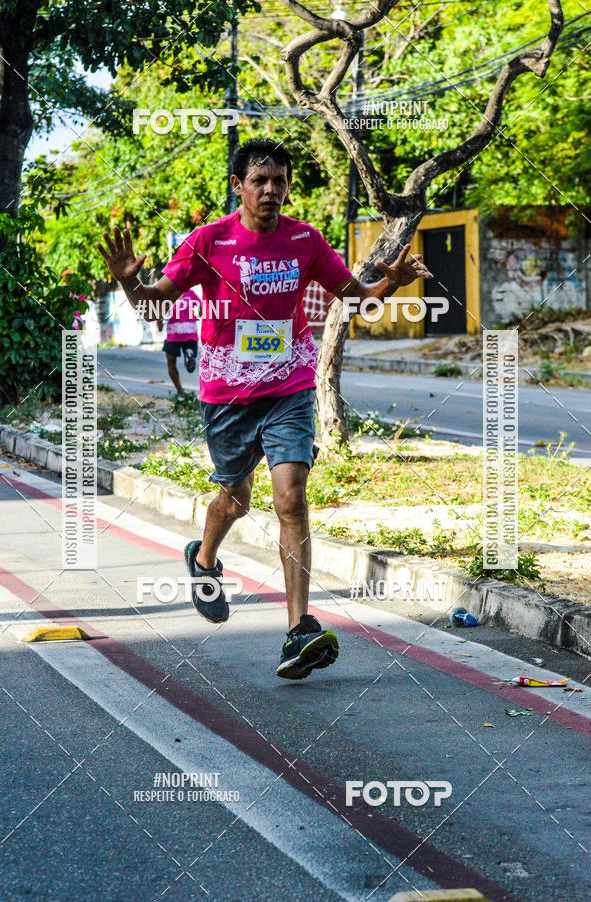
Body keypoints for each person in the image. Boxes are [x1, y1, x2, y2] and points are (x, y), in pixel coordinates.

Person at [96, 137, 431, 680]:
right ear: (239, 187)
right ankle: (203, 559)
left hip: (290, 385)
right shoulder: (208, 242)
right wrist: (129, 280)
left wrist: (389, 282)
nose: (271, 190)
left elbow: (354, 296)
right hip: (227, 394)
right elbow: (156, 303)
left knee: (290, 495)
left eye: (279, 180)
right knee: (235, 497)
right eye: (260, 181)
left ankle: (299, 629)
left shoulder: (305, 239)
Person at [159, 287, 201, 395]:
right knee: (189, 359)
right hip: (190, 330)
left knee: (171, 361)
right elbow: (201, 307)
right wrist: (198, 315)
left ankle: (180, 391)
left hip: (174, 332)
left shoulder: (167, 294)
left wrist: (159, 326)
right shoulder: (191, 293)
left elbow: (159, 313)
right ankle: (189, 355)